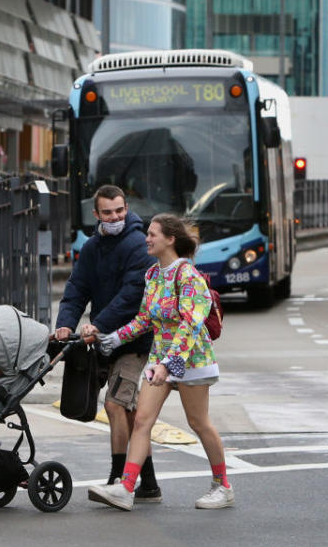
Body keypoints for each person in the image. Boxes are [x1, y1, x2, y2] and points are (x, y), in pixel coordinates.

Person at [84, 213, 234, 512]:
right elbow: (145, 319)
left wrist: (169, 364)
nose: (147, 239)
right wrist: (115, 338)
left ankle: (223, 486)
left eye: (152, 234)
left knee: (198, 422)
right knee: (141, 419)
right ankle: (126, 488)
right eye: (147, 234)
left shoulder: (188, 276)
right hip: (160, 358)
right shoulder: (153, 274)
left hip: (190, 357)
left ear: (170, 239)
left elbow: (191, 325)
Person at [54, 184, 161, 502]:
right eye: (108, 212)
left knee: (115, 405)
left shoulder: (137, 245)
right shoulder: (92, 247)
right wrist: (64, 325)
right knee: (128, 413)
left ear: (126, 208)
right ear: (96, 214)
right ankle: (150, 483)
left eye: (120, 211)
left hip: (133, 340)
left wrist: (98, 324)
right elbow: (77, 288)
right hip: (102, 340)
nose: (115, 217)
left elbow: (132, 296)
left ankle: (117, 478)